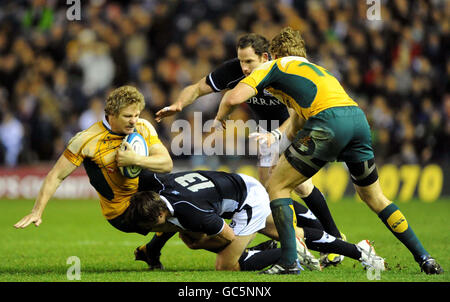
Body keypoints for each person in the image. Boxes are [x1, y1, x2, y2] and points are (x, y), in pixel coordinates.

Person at [213, 27, 443, 275]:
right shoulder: (316, 71)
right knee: (375, 198)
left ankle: (289, 261)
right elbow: (297, 124)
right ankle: (425, 258)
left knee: (277, 186)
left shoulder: (272, 67)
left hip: (327, 123)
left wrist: (219, 118)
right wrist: (277, 138)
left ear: (275, 54)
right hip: (357, 121)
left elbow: (233, 98)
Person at [152, 33, 346, 268]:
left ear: (265, 58)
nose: (243, 68)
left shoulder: (281, 73)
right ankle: (309, 237)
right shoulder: (234, 71)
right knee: (268, 191)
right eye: (241, 61)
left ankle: (333, 239)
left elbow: (296, 115)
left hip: (295, 128)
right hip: (267, 132)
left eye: (249, 62)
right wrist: (179, 104)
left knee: (298, 185)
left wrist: (276, 136)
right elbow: (196, 88)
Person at [129, 169, 385, 273]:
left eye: (152, 227)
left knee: (227, 263)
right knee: (287, 231)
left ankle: (289, 252)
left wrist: (199, 243)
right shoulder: (159, 187)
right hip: (238, 187)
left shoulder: (190, 213)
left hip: (247, 201)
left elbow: (227, 238)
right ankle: (361, 252)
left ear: (161, 215)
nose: (155, 231)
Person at [14, 85, 173, 239]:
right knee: (184, 221)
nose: (133, 121)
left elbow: (167, 164)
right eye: (127, 116)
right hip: (121, 212)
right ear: (111, 114)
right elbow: (56, 176)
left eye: (136, 115)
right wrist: (37, 211)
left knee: (181, 204)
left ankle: (151, 251)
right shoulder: (86, 140)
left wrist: (135, 159)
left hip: (146, 195)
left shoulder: (143, 126)